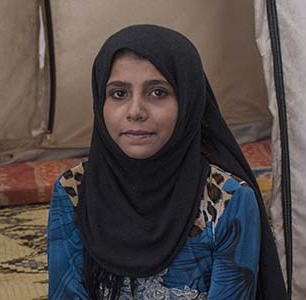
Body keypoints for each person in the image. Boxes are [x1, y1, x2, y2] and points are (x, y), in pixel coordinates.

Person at [47, 24, 286, 299]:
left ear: (188, 101)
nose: (135, 111)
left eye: (157, 92)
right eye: (119, 93)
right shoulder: (74, 189)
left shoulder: (228, 200)